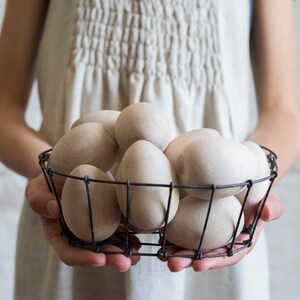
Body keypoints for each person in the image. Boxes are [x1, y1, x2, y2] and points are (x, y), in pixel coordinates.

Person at [0, 0, 299, 299]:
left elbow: (282, 110)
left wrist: (253, 183)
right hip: (73, 216)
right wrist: (52, 179)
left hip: (214, 219)